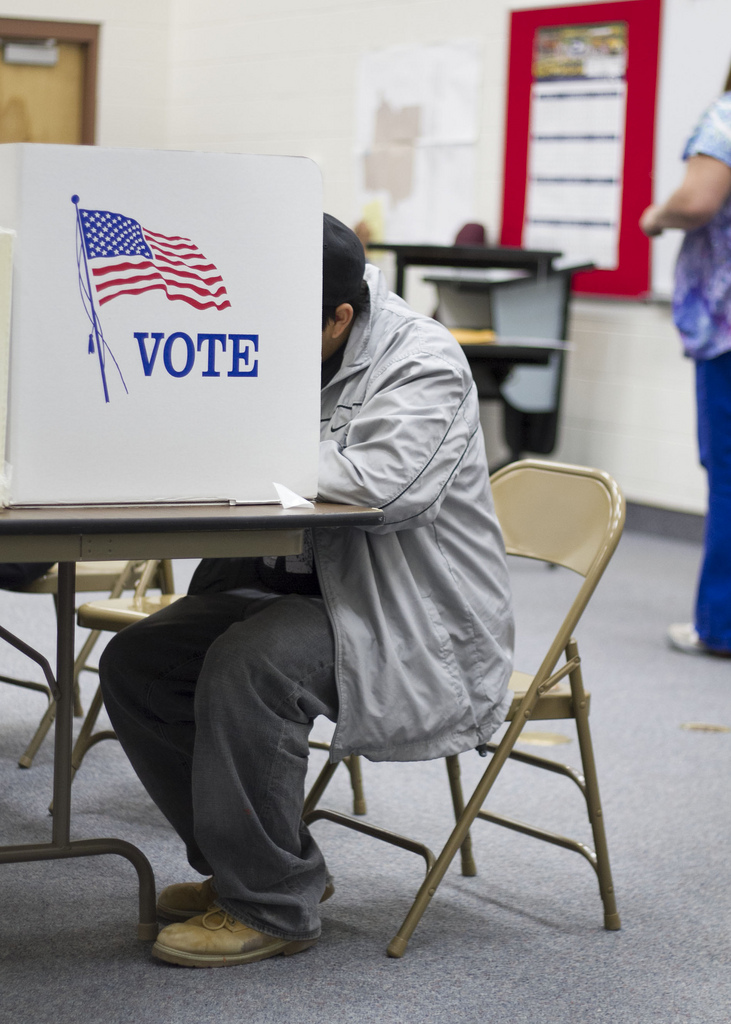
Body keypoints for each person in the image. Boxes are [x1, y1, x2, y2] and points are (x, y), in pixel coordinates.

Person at [99, 213, 514, 968]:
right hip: (307, 588)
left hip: (409, 615)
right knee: (138, 660)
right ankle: (259, 865)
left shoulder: (423, 362)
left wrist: (240, 451)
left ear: (340, 318)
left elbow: (382, 489)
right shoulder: (291, 328)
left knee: (252, 663)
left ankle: (270, 907)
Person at [640, 66, 731, 658]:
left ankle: (720, 624)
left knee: (727, 470)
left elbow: (698, 199)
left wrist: (656, 216)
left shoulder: (726, 116)